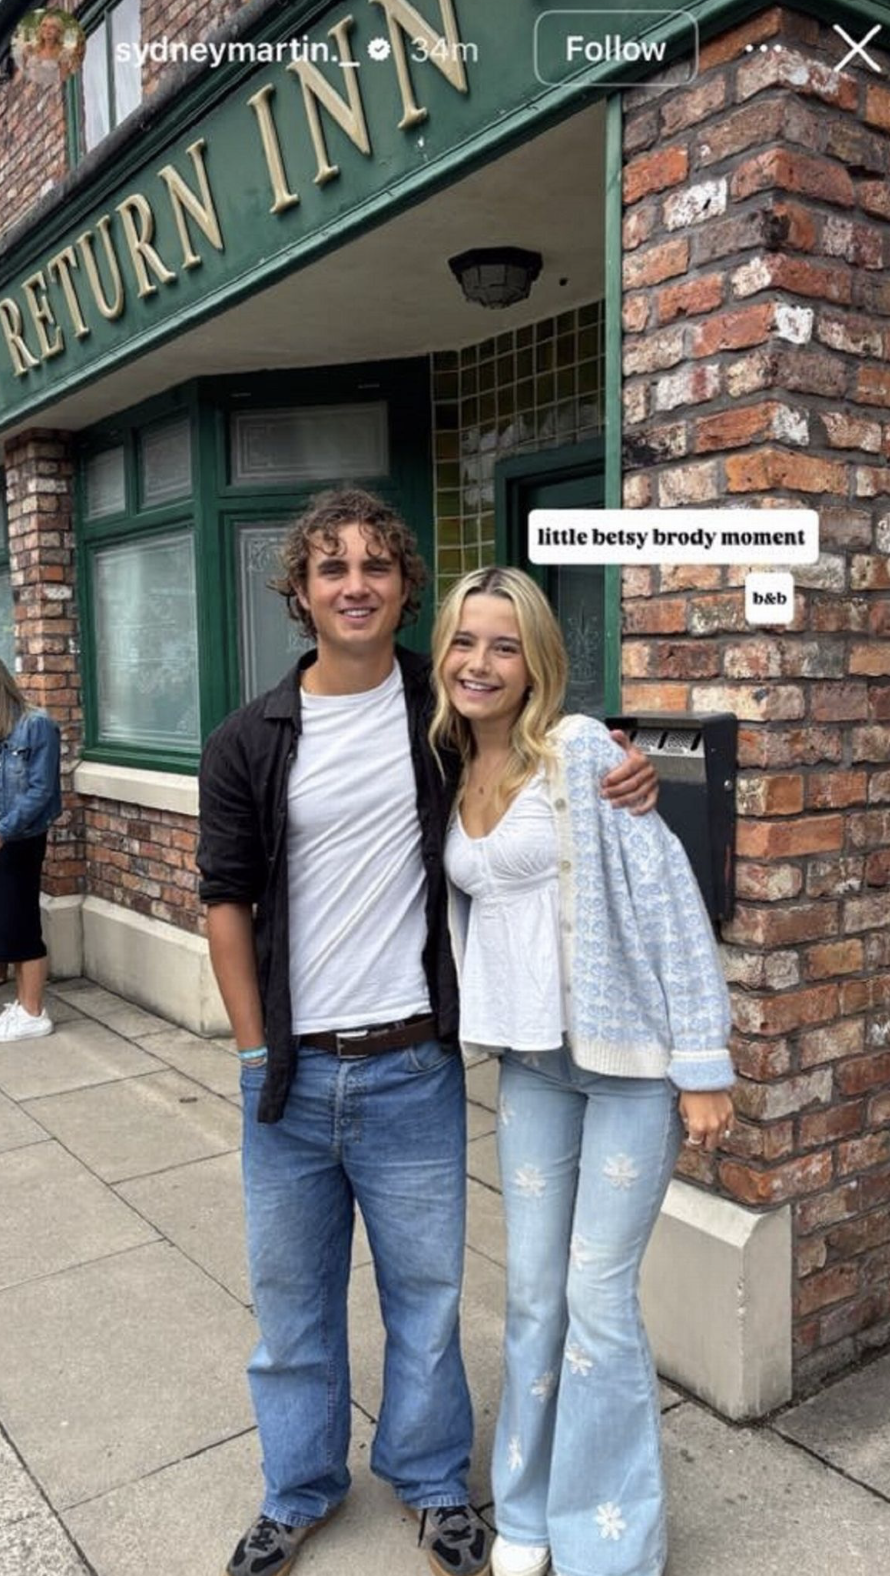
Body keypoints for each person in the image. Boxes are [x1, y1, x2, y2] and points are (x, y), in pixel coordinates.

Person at [197, 487, 657, 1576]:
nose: (354, 584)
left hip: (411, 1062)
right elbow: (224, 901)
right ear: (300, 592)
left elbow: (539, 733)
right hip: (291, 1073)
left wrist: (622, 762)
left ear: (407, 587)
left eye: (376, 565)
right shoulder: (247, 739)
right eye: (331, 567)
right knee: (292, 1307)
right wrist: (255, 1052)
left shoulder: (442, 711)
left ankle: (432, 1477)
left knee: (427, 1299)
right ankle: (298, 1487)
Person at [429, 567, 735, 1576]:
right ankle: (524, 1516)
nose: (480, 662)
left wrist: (702, 1064)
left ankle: (608, 1541)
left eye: (504, 645)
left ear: (536, 664)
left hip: (628, 1070)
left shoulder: (581, 753)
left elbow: (670, 901)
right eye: (465, 640)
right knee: (530, 1298)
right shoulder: (444, 765)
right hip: (530, 1070)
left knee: (597, 1301)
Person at [0, 660, 62, 1042]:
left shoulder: (36, 725)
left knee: (22, 925)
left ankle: (34, 1012)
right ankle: (22, 1006)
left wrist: (3, 830)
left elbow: (41, 791)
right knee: (9, 925)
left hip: (21, 839)